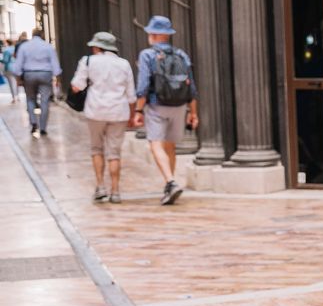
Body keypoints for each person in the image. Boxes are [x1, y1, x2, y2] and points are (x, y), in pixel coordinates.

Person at [132, 15, 197, 204]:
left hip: (156, 105)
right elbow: (191, 86)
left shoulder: (147, 55)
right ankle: (171, 183)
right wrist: (193, 112)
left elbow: (143, 86)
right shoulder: (181, 54)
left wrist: (138, 111)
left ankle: (170, 181)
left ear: (153, 34)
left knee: (155, 144)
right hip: (179, 106)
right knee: (170, 146)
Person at [70, 31, 137, 203]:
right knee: (114, 152)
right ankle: (115, 191)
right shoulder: (124, 64)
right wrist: (132, 114)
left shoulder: (88, 61)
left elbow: (77, 86)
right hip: (119, 112)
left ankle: (100, 187)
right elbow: (131, 94)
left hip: (96, 111)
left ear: (98, 46)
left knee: (96, 149)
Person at [12, 28, 58, 137]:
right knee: (45, 101)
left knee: (30, 99)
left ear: (32, 35)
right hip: (45, 74)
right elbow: (55, 64)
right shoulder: (47, 46)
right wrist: (58, 79)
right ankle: (43, 128)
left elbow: (18, 65)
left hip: (29, 74)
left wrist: (19, 79)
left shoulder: (24, 47)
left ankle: (33, 122)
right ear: (42, 35)